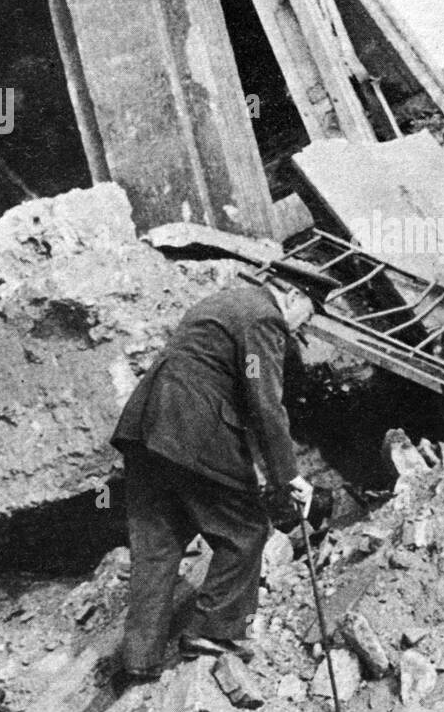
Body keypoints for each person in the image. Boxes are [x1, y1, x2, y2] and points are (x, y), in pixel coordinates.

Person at [111, 276, 315, 678]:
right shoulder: (264, 318)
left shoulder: (229, 302)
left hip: (147, 429)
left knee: (158, 544)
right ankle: (213, 630)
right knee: (246, 528)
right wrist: (288, 476)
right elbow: (265, 403)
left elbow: (226, 385)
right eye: (304, 320)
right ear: (293, 294)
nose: (299, 331)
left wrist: (263, 466)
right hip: (193, 432)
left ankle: (139, 658)